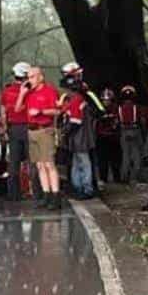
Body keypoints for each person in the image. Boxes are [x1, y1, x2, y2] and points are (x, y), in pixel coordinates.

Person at [16, 65, 63, 210]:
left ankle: (56, 197)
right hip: (32, 131)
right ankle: (46, 195)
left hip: (45, 130)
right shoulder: (29, 93)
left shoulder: (49, 91)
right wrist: (22, 93)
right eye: (28, 77)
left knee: (49, 164)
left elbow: (58, 111)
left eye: (32, 76)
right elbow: (17, 109)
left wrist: (41, 111)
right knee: (39, 165)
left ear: (40, 77)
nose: (29, 80)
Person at [61, 71, 98, 199]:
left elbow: (75, 122)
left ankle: (85, 189)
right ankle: (80, 187)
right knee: (79, 163)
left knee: (82, 163)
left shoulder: (75, 101)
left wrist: (65, 132)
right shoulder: (79, 99)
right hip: (81, 138)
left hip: (79, 138)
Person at [0, 62, 32, 201]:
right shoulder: (31, 91)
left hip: (13, 129)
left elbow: (3, 113)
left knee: (14, 162)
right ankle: (34, 191)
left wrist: (5, 130)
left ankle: (13, 194)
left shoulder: (6, 91)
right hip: (29, 128)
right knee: (32, 161)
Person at [117, 85, 147, 184]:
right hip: (135, 130)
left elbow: (116, 122)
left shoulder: (119, 108)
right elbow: (142, 121)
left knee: (125, 155)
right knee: (137, 155)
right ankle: (135, 177)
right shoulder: (137, 107)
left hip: (123, 131)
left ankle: (124, 177)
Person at [94, 87, 121, 184]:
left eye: (108, 100)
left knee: (115, 159)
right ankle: (103, 178)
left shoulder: (115, 109)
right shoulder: (98, 110)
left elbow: (117, 123)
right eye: (105, 100)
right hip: (102, 137)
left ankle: (117, 178)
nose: (106, 102)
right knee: (103, 160)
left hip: (113, 137)